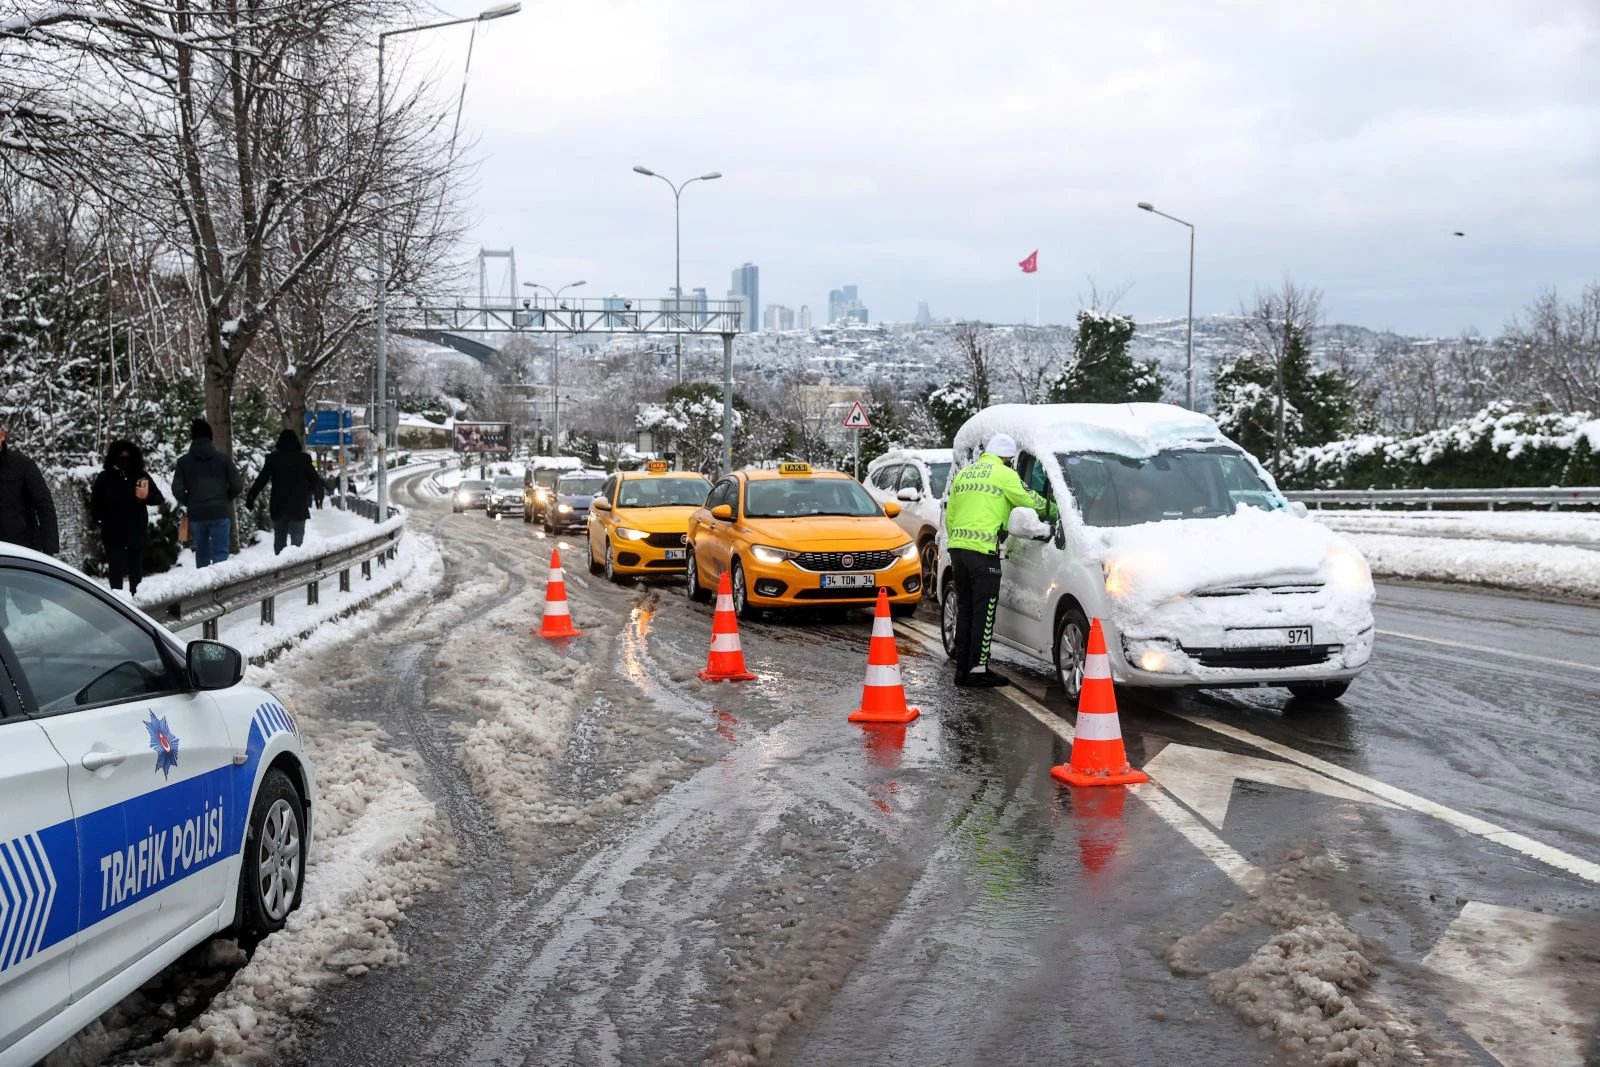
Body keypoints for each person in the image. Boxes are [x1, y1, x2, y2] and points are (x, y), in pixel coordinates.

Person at [943, 433, 1056, 687]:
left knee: (967, 608)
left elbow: (951, 515)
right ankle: (978, 669)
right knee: (985, 610)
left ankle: (962, 668)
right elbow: (1029, 500)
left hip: (958, 551)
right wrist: (1055, 509)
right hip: (983, 553)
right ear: (1007, 457)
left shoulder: (965, 474)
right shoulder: (1004, 474)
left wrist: (958, 542)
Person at [90, 439, 166, 594]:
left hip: (135, 530)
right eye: (121, 457)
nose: (124, 461)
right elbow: (95, 503)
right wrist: (100, 520)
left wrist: (145, 496)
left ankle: (137, 600)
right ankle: (116, 601)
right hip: (112, 532)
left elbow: (158, 498)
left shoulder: (140, 476)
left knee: (135, 568)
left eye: (127, 457)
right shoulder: (105, 478)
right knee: (115, 568)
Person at [172, 418, 244, 568]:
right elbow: (237, 484)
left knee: (202, 553)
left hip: (197, 514)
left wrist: (190, 501)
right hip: (219, 513)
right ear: (210, 437)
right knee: (220, 554)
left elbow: (177, 489)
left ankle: (204, 588)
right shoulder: (223, 460)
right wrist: (225, 498)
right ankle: (222, 588)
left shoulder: (183, 462)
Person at [246, 428, 326, 554]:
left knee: (279, 539)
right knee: (297, 539)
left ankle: (280, 568)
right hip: (298, 505)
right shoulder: (304, 459)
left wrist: (251, 497)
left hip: (279, 506)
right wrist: (307, 491)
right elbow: (316, 480)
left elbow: (262, 479)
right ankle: (296, 565)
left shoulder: (273, 459)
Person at [0, 428, 59, 556]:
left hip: (22, 552)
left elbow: (44, 506)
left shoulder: (23, 465)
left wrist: (49, 550)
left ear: (2, 436)